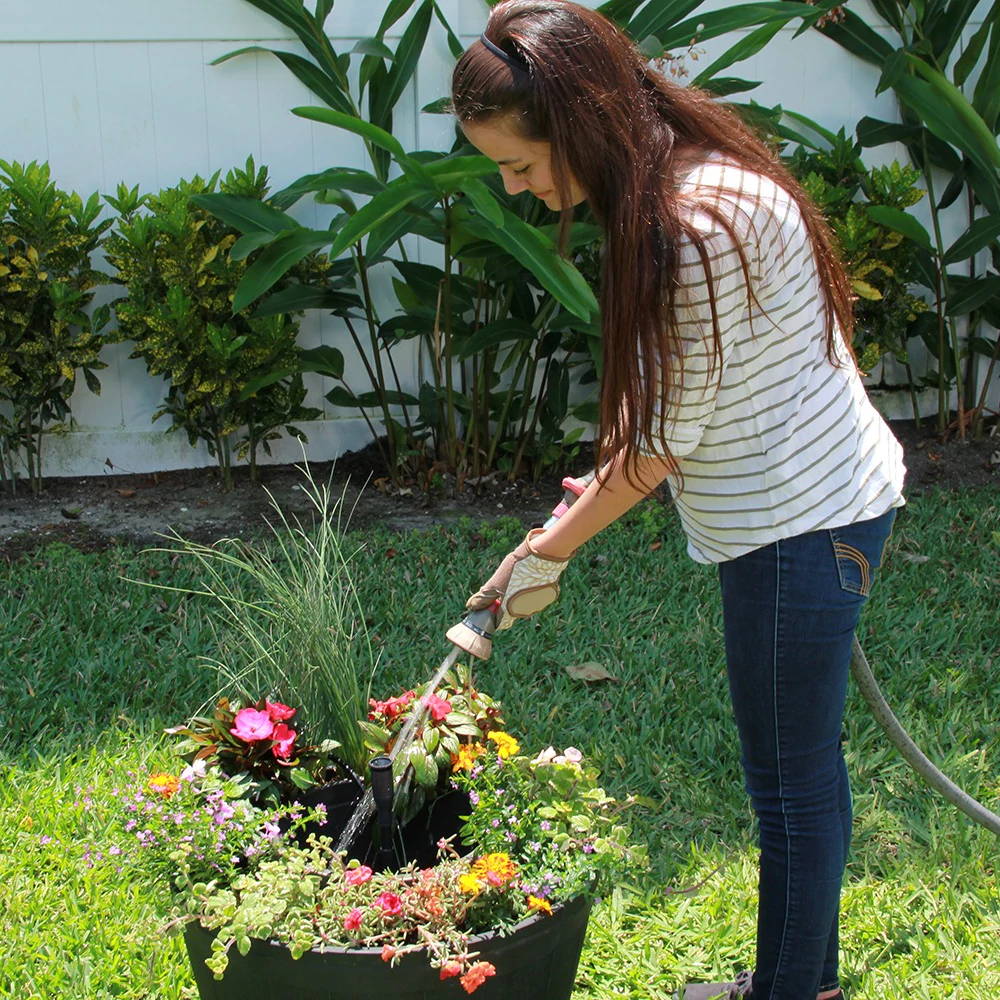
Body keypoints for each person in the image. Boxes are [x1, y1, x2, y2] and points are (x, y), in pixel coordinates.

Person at [450, 3, 906, 999]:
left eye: (521, 167)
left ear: (574, 125)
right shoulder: (673, 165)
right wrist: (584, 494)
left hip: (801, 526)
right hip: (809, 512)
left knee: (787, 789)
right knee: (800, 773)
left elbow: (661, 445)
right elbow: (674, 400)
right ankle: (803, 985)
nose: (516, 190)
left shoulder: (693, 221)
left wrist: (549, 552)